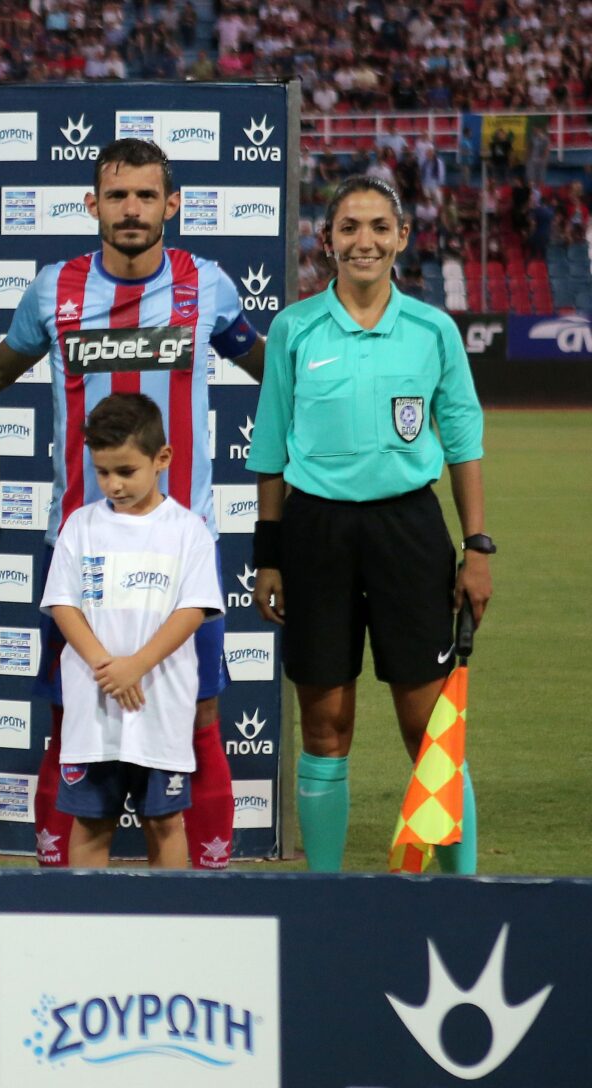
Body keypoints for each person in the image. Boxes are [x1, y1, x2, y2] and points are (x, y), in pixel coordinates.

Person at [0, 138, 266, 870]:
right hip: (80, 546)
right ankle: (64, 890)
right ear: (93, 205)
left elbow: (273, 370)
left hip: (181, 546)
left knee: (199, 711)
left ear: (172, 204)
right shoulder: (55, 289)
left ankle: (204, 890)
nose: (131, 209)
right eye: (117, 196)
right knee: (72, 712)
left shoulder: (208, 285)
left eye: (146, 195)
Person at [247, 176, 492, 873]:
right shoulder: (294, 328)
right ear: (326, 240)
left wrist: (477, 547)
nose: (365, 241)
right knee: (326, 727)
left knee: (429, 730)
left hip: (409, 532)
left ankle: (464, 895)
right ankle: (326, 898)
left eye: (379, 227)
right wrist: (269, 556)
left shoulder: (433, 331)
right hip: (315, 534)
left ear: (402, 237)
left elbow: (464, 443)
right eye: (349, 227)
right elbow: (269, 452)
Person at [41, 394, 223, 869]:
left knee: (164, 822)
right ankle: (87, 916)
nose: (114, 484)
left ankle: (171, 917)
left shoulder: (188, 530)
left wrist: (137, 666)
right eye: (102, 472)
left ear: (162, 458)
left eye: (126, 471)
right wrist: (108, 668)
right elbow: (63, 604)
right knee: (90, 824)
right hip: (94, 707)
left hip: (159, 706)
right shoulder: (80, 526)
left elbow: (192, 610)